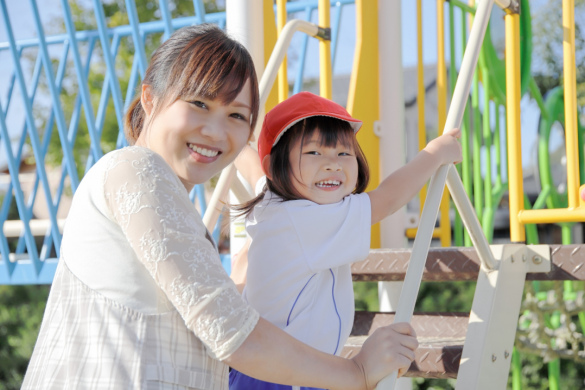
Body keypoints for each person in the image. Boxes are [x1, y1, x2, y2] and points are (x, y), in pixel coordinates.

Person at [22, 24, 419, 390]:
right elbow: (230, 333)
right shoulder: (137, 172)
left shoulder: (164, 194)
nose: (215, 131)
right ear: (149, 97)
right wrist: (356, 372)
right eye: (198, 103)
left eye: (236, 115)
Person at [230, 92, 462, 390]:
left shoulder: (271, 203)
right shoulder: (307, 219)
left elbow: (253, 170)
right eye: (314, 153)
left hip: (261, 367)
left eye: (344, 153)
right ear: (276, 167)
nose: (332, 164)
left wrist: (238, 146)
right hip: (287, 377)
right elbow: (388, 199)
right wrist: (434, 154)